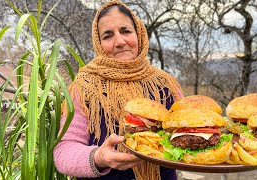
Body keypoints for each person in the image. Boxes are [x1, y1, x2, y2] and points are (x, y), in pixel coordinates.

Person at [53, 0, 184, 179]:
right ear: (98, 43)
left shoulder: (166, 84)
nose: (119, 41)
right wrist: (98, 157)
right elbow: (63, 152)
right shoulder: (84, 87)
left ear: (139, 34)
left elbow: (187, 132)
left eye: (126, 31)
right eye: (108, 36)